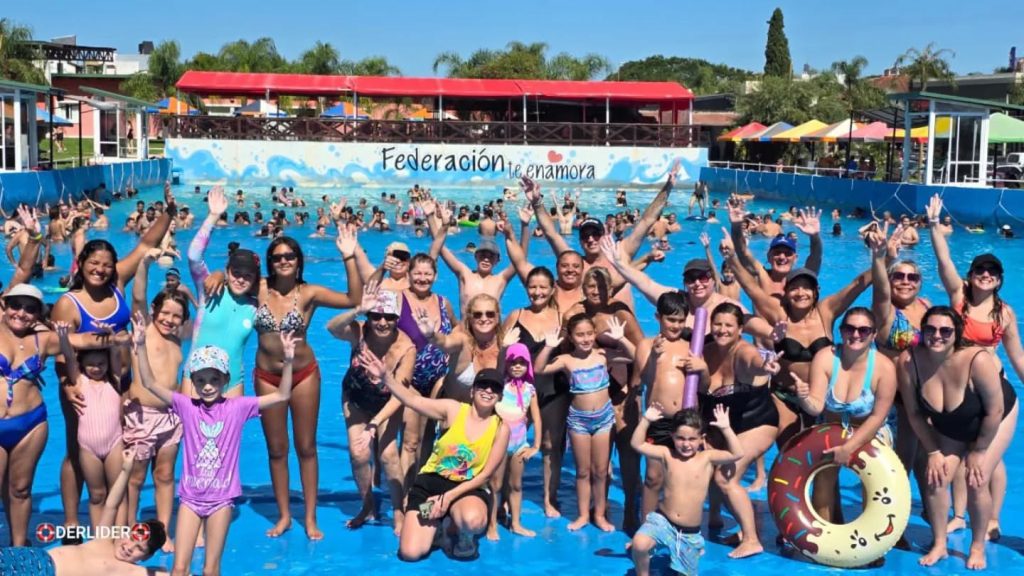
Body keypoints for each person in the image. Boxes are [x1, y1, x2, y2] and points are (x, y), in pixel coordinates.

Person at [51, 184, 175, 538]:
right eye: (94, 264)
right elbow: (60, 352)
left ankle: (113, 524)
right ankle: (72, 522)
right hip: (81, 385)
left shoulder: (118, 282)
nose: (101, 270)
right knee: (77, 448)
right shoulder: (69, 303)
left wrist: (168, 211)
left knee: (118, 449)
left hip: (119, 381)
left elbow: (146, 245)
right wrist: (68, 385)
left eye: (106, 265)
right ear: (82, 264)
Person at [136, 317, 298, 576]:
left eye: (214, 379)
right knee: (179, 568)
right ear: (193, 381)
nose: (208, 386)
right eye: (200, 380)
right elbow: (149, 383)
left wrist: (288, 361)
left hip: (221, 501)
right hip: (190, 499)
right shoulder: (186, 406)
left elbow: (282, 395)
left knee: (211, 569)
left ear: (225, 379)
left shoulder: (238, 407)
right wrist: (141, 345)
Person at [927, 194, 1024, 539]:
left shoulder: (1005, 313)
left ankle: (993, 518)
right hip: (958, 388)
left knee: (988, 461)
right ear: (970, 275)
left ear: (999, 279)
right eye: (980, 270)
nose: (985, 275)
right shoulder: (959, 298)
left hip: (993, 391)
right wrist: (934, 225)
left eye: (992, 272)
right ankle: (959, 515)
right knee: (961, 453)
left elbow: (1018, 357)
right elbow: (943, 261)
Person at [898, 307, 1018, 570]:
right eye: (930, 329)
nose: (937, 335)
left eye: (945, 330)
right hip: (952, 424)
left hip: (995, 418)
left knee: (976, 479)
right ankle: (940, 544)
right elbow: (915, 414)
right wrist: (932, 451)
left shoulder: (977, 359)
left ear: (957, 334)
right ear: (922, 331)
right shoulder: (909, 361)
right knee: (936, 478)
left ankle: (977, 546)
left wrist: (979, 451)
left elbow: (995, 410)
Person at [363, 347, 510, 562]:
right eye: (482, 385)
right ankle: (441, 527)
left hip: (466, 489)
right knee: (410, 553)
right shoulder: (453, 410)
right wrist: (387, 377)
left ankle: (460, 532)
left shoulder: (501, 428)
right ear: (472, 391)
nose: (488, 390)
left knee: (473, 520)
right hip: (431, 486)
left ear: (500, 397)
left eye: (494, 388)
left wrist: (448, 497)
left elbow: (486, 475)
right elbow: (414, 401)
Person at [792, 307, 897, 526]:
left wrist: (848, 448)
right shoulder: (826, 358)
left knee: (874, 483)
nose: (856, 334)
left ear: (873, 335)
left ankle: (874, 536)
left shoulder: (884, 368)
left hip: (871, 431)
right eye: (850, 328)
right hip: (831, 427)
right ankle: (825, 534)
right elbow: (816, 407)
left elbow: (877, 417)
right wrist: (804, 398)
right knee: (822, 479)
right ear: (841, 331)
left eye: (863, 330)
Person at [327, 284, 415, 532]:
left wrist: (375, 423)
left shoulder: (406, 348)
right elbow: (332, 328)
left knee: (388, 455)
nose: (382, 322)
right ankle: (367, 506)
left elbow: (400, 395)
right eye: (376, 316)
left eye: (389, 317)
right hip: (355, 396)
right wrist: (357, 310)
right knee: (358, 454)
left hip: (387, 402)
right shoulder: (360, 331)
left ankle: (398, 511)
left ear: (397, 319)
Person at [535, 313, 635, 532]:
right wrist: (549, 347)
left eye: (589, 333)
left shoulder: (602, 355)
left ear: (595, 334)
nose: (586, 338)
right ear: (571, 337)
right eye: (580, 335)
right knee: (582, 471)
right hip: (579, 421)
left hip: (604, 419)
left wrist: (621, 338)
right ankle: (582, 515)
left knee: (601, 471)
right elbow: (539, 369)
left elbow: (633, 356)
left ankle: (599, 514)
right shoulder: (566, 360)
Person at [0, 446, 167, 575]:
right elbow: (111, 505)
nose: (129, 547)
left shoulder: (131, 571)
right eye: (131, 538)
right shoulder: (104, 539)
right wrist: (125, 471)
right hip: (37, 556)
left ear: (146, 557)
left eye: (139, 548)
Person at [699, 302, 781, 558]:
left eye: (729, 325)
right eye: (718, 324)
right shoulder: (705, 351)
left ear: (740, 329)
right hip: (725, 423)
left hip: (757, 422)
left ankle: (752, 540)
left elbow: (755, 362)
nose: (722, 330)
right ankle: (730, 525)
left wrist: (765, 367)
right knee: (709, 468)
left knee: (725, 478)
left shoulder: (744, 352)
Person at [629, 404, 743, 576]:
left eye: (692, 439)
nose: (686, 444)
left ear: (701, 439)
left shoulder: (707, 458)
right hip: (663, 521)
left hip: (689, 533)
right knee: (639, 543)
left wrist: (726, 428)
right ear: (672, 436)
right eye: (680, 438)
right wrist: (646, 420)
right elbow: (636, 444)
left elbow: (737, 453)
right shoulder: (667, 454)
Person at [500, 266, 567, 518]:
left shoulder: (562, 318)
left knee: (551, 446)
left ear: (552, 289)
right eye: (532, 286)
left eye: (542, 287)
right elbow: (501, 353)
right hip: (517, 393)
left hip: (553, 390)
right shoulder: (516, 315)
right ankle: (506, 495)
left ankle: (550, 498)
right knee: (509, 444)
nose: (537, 292)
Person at [185, 186, 259, 397]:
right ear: (227, 271)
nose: (241, 279)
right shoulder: (209, 290)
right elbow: (193, 256)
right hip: (195, 378)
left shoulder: (255, 306)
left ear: (255, 279)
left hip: (232, 382)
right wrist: (213, 217)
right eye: (236, 273)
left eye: (248, 275)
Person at [56, 322, 127, 530]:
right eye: (91, 365)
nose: (97, 368)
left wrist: (111, 336)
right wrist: (63, 338)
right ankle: (100, 538)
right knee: (97, 495)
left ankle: (119, 536)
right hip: (88, 448)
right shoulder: (79, 381)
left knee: (117, 492)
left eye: (101, 364)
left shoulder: (114, 380)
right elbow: (69, 357)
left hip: (114, 444)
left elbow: (115, 353)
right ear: (82, 365)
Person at [486, 343, 542, 540]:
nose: (517, 366)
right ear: (506, 364)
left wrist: (536, 445)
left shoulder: (530, 390)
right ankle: (492, 524)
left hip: (519, 445)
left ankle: (516, 523)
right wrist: (503, 349)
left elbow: (536, 417)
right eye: (513, 362)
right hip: (499, 444)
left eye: (522, 363)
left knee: (516, 485)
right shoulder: (499, 386)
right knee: (495, 485)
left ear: (528, 365)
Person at [727, 198, 823, 301]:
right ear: (769, 256)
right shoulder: (760, 276)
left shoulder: (801, 280)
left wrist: (815, 236)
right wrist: (736, 226)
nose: (782, 257)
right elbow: (742, 252)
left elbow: (815, 257)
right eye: (777, 252)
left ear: (795, 258)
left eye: (788, 253)